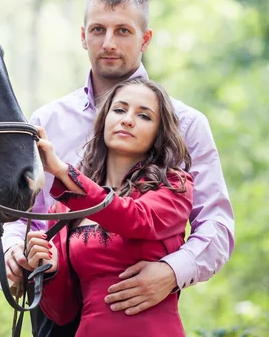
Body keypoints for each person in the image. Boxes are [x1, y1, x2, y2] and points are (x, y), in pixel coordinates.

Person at [0, 0, 235, 335]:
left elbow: (216, 225)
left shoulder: (186, 124)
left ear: (145, 39)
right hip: (53, 300)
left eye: (123, 30)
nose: (108, 43)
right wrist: (15, 251)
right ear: (83, 36)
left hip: (139, 306)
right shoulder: (46, 121)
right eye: (98, 30)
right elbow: (21, 211)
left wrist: (172, 271)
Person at [26, 77, 193, 336]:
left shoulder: (173, 186)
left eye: (144, 116)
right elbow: (63, 311)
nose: (127, 119)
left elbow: (136, 218)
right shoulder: (64, 209)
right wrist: (51, 268)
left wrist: (62, 171)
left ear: (158, 133)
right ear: (104, 119)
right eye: (119, 109)